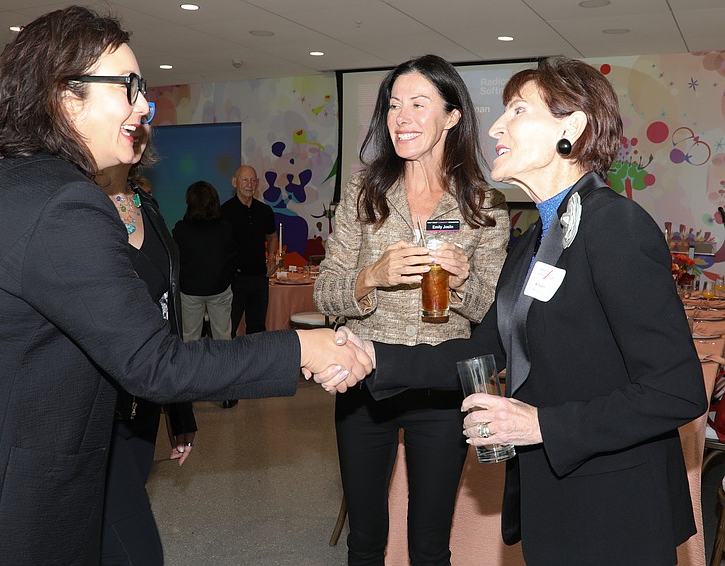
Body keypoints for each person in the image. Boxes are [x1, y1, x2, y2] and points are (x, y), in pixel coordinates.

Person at [0, 7, 369, 565]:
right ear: (66, 96)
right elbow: (154, 365)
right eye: (129, 87)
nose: (145, 106)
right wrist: (303, 345)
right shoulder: (61, 203)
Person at [329, 57, 708, 566]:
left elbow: (675, 390)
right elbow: (484, 348)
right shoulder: (535, 240)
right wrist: (374, 357)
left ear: (570, 128)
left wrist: (542, 427)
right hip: (554, 497)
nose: (495, 126)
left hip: (616, 509)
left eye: (517, 111)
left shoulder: (615, 226)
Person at [313, 54, 509, 566]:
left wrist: (463, 284)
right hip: (362, 380)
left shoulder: (483, 205)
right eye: (394, 105)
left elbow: (487, 307)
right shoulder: (364, 190)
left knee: (429, 543)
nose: (401, 117)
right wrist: (371, 276)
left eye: (418, 104)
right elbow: (326, 291)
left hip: (441, 388)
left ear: (452, 117)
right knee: (365, 540)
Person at [97, 121, 197, 564]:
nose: (136, 130)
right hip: (93, 397)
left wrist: (180, 410)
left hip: (144, 396)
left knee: (118, 516)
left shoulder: (147, 204)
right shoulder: (75, 206)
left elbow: (168, 309)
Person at [220, 164, 278, 408]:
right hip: (234, 280)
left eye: (253, 181)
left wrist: (272, 257)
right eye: (245, 180)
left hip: (259, 279)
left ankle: (256, 377)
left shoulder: (265, 210)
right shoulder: (224, 211)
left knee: (257, 328)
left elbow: (272, 236)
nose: (249, 184)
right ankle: (231, 381)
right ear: (235, 182)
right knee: (230, 330)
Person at [173, 180, 236, 343]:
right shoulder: (225, 227)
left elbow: (176, 259)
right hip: (220, 287)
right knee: (223, 337)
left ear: (190, 203)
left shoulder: (181, 229)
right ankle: (225, 368)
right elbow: (232, 257)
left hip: (190, 290)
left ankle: (191, 369)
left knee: (190, 338)